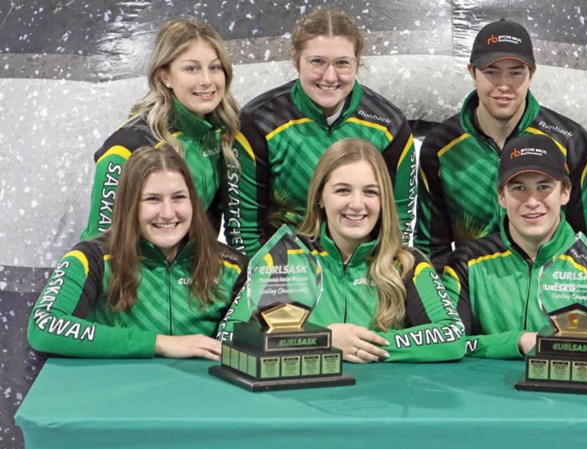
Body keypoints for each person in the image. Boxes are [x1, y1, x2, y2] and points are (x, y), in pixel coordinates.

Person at [220, 138, 464, 363]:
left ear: (383, 201)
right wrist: (322, 339)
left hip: (382, 401)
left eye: (370, 192)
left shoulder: (407, 263)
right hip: (302, 401)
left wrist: (362, 344)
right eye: (342, 190)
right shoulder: (281, 256)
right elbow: (229, 335)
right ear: (320, 197)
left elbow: (452, 336)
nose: (356, 205)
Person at [416, 19, 587, 270]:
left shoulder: (569, 141)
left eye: (515, 72)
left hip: (551, 296)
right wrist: (451, 303)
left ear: (532, 74)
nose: (504, 85)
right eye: (491, 72)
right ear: (472, 72)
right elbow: (431, 248)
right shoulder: (441, 146)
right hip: (471, 292)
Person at [228, 8, 417, 258]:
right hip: (286, 271)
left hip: (362, 266)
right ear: (295, 57)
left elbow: (399, 220)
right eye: (317, 61)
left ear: (357, 61)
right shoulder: (259, 121)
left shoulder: (389, 125)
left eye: (342, 63)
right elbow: (244, 229)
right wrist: (267, 288)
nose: (330, 77)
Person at [30, 145, 246, 359]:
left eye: (179, 197)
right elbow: (43, 326)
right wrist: (159, 344)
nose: (168, 213)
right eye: (153, 199)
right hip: (115, 389)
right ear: (129, 204)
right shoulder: (91, 259)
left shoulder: (233, 267)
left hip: (200, 391)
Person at [443, 135, 587, 359]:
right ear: (501, 197)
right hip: (483, 390)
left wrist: (539, 346)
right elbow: (448, 343)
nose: (532, 201)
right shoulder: (466, 263)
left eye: (543, 187)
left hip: (564, 393)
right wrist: (518, 342)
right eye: (519, 188)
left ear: (565, 193)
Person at [82, 18, 240, 240]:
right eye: (191, 68)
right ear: (165, 76)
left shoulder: (223, 133)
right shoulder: (127, 149)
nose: (206, 80)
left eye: (215, 67)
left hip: (196, 270)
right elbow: (100, 247)